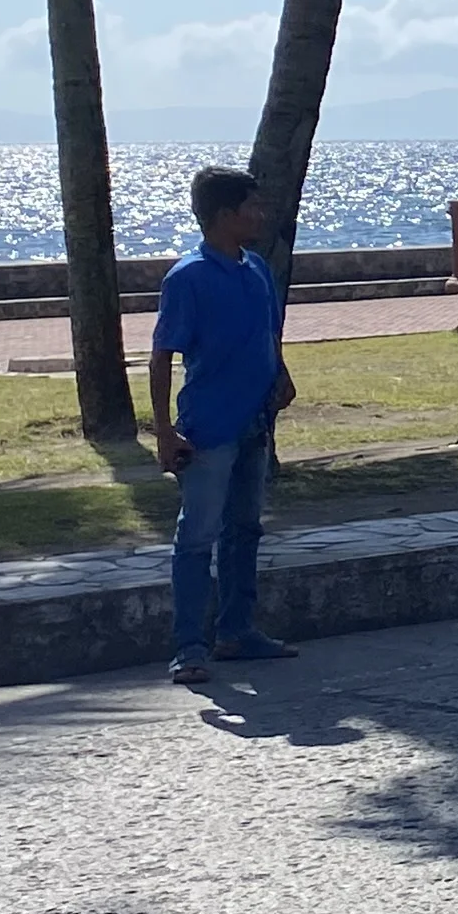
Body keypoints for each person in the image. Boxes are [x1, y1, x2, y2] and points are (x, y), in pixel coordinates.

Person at [152, 164, 299, 685]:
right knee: (197, 536)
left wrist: (279, 372)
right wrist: (165, 432)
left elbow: (265, 332)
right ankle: (189, 646)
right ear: (221, 216)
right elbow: (161, 354)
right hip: (209, 428)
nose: (260, 215)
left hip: (255, 423)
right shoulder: (187, 277)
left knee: (245, 530)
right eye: (250, 208)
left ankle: (237, 631)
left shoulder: (256, 268)